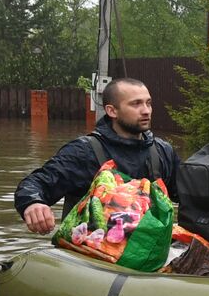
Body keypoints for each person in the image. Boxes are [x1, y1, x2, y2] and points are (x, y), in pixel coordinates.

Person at [15, 78, 181, 234]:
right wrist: (33, 203)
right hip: (90, 254)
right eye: (136, 104)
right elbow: (36, 183)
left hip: (147, 253)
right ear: (112, 111)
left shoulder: (163, 152)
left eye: (148, 103)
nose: (146, 111)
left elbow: (188, 195)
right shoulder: (83, 152)